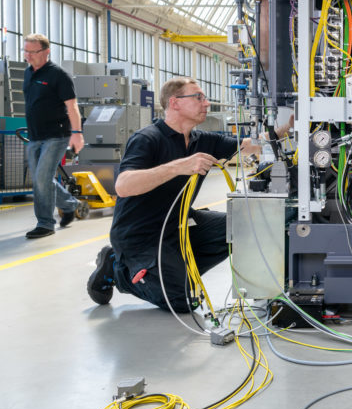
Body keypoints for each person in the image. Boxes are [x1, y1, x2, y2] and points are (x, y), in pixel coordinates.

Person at [87, 77, 292, 311]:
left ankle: (177, 272)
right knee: (183, 300)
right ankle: (116, 268)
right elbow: (123, 185)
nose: (206, 103)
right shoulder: (147, 139)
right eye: (199, 97)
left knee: (242, 227)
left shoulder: (202, 140)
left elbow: (248, 145)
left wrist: (286, 129)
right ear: (174, 103)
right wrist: (178, 166)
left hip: (179, 223)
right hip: (141, 235)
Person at [21, 34, 82, 239]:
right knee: (42, 179)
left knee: (41, 179)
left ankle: (46, 223)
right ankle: (71, 204)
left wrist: (77, 133)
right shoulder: (28, 74)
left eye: (32, 52)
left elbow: (72, 106)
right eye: (25, 51)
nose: (27, 56)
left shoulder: (59, 75)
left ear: (46, 52)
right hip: (35, 136)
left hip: (56, 136)